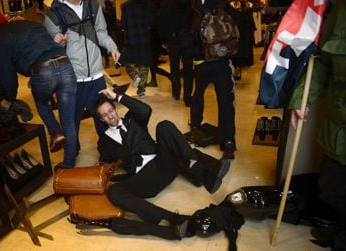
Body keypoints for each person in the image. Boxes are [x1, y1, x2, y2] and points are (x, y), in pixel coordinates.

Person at [87, 88, 230, 238]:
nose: (110, 116)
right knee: (114, 192)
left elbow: (145, 109)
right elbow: (105, 163)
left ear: (115, 108)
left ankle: (197, 166)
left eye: (111, 111)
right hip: (143, 180)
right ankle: (173, 218)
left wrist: (117, 96)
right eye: (105, 115)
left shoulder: (133, 119)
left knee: (164, 126)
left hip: (162, 164)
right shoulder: (104, 140)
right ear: (101, 119)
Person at [289, 0, 346, 250]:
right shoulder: (344, 9)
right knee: (331, 188)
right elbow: (322, 62)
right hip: (341, 125)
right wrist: (303, 97)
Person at [0, 3, 78, 168]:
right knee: (69, 121)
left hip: (43, 71)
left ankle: (55, 132)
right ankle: (69, 164)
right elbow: (41, 46)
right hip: (65, 64)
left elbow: (6, 75)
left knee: (41, 102)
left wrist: (9, 98)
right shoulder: (27, 23)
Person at [43, 0, 121, 160]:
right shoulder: (54, 14)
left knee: (102, 118)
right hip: (71, 79)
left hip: (96, 76)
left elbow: (101, 32)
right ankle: (72, 152)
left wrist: (112, 46)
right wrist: (56, 41)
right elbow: (48, 47)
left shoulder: (93, 6)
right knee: (71, 121)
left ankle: (106, 152)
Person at [190, 0, 239, 160]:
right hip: (222, 62)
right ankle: (228, 142)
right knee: (226, 101)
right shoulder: (225, 5)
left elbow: (186, 34)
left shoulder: (194, 7)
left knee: (198, 95)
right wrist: (224, 52)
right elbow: (237, 32)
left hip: (201, 61)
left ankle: (196, 127)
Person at [158, 0, 194, 106]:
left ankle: (176, 93)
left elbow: (161, 22)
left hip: (172, 42)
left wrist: (164, 40)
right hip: (187, 41)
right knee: (188, 70)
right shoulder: (191, 4)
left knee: (174, 68)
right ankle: (187, 97)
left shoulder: (167, 5)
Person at [119, 0, 156, 99]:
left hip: (131, 39)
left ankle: (135, 76)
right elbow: (152, 22)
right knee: (144, 66)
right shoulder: (149, 5)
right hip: (145, 39)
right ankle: (141, 91)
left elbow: (124, 24)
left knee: (128, 63)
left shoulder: (125, 6)